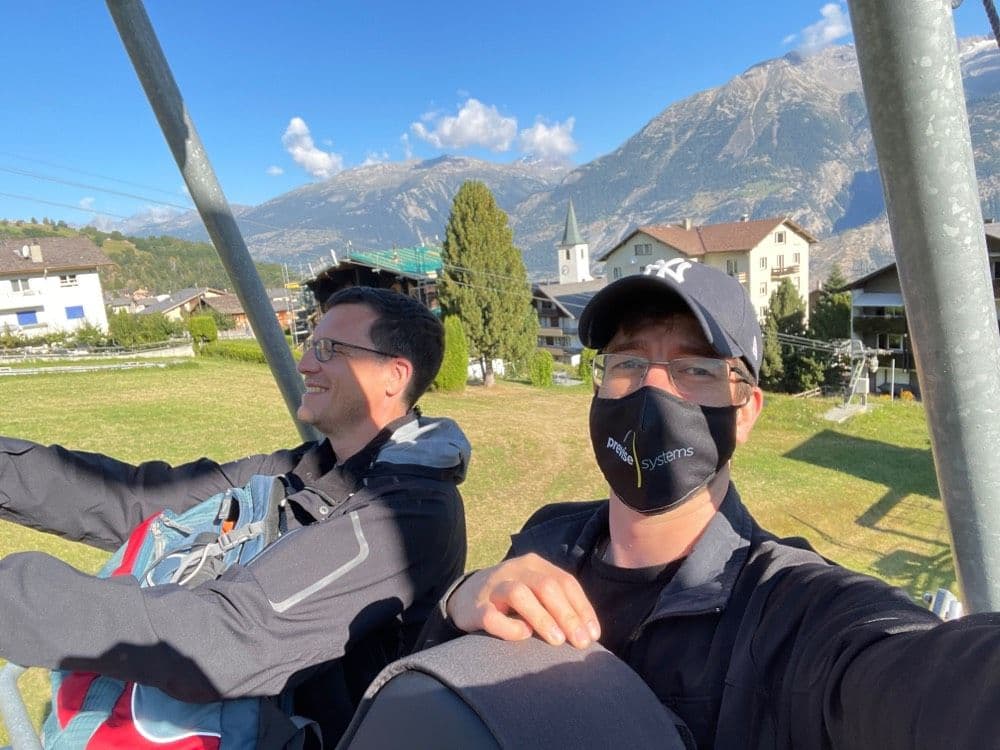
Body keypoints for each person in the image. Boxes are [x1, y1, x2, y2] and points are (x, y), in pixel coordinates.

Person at [423, 259, 1000, 749]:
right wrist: (461, 602)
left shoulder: (787, 610)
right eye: (627, 362)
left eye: (695, 369)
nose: (652, 389)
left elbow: (919, 675)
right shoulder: (547, 537)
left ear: (746, 411)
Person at [0, 285, 471, 746]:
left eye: (329, 350)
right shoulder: (300, 471)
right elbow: (138, 500)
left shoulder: (408, 515)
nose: (305, 363)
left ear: (394, 375)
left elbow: (230, 638)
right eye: (310, 345)